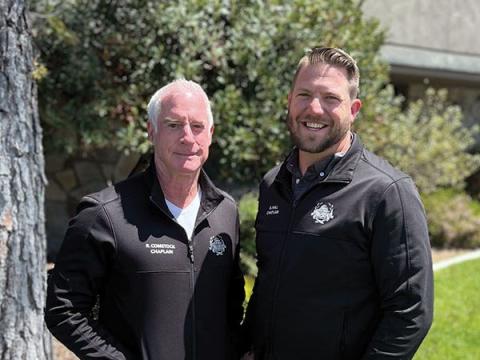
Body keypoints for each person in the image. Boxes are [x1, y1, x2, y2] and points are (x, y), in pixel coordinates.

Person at [242, 47, 433, 359]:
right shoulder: (273, 185)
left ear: (353, 109)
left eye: (330, 98)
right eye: (304, 95)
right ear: (289, 101)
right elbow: (266, 285)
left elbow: (410, 313)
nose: (314, 109)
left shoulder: (386, 192)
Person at [45, 79, 245, 360]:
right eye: (174, 125)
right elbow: (63, 309)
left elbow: (232, 308)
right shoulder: (103, 214)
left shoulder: (225, 211)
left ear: (210, 133)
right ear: (152, 131)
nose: (188, 137)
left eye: (197, 126)